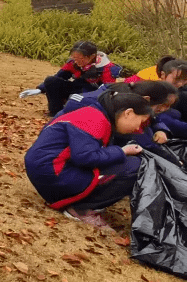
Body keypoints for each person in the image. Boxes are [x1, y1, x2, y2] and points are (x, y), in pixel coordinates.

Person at [25, 90, 152, 229]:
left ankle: (82, 202)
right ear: (128, 113)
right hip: (54, 174)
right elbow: (85, 157)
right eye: (141, 122)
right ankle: (81, 209)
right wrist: (122, 151)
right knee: (134, 166)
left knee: (124, 162)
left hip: (46, 170)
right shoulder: (95, 119)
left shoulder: (93, 112)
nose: (138, 128)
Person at [19, 41, 116, 116]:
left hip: (93, 94)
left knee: (79, 98)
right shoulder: (73, 63)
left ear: (92, 56)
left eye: (80, 58)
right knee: (50, 81)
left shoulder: (106, 67)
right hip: (76, 87)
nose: (77, 61)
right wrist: (40, 89)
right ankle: (55, 112)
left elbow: (107, 90)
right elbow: (58, 77)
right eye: (75, 57)